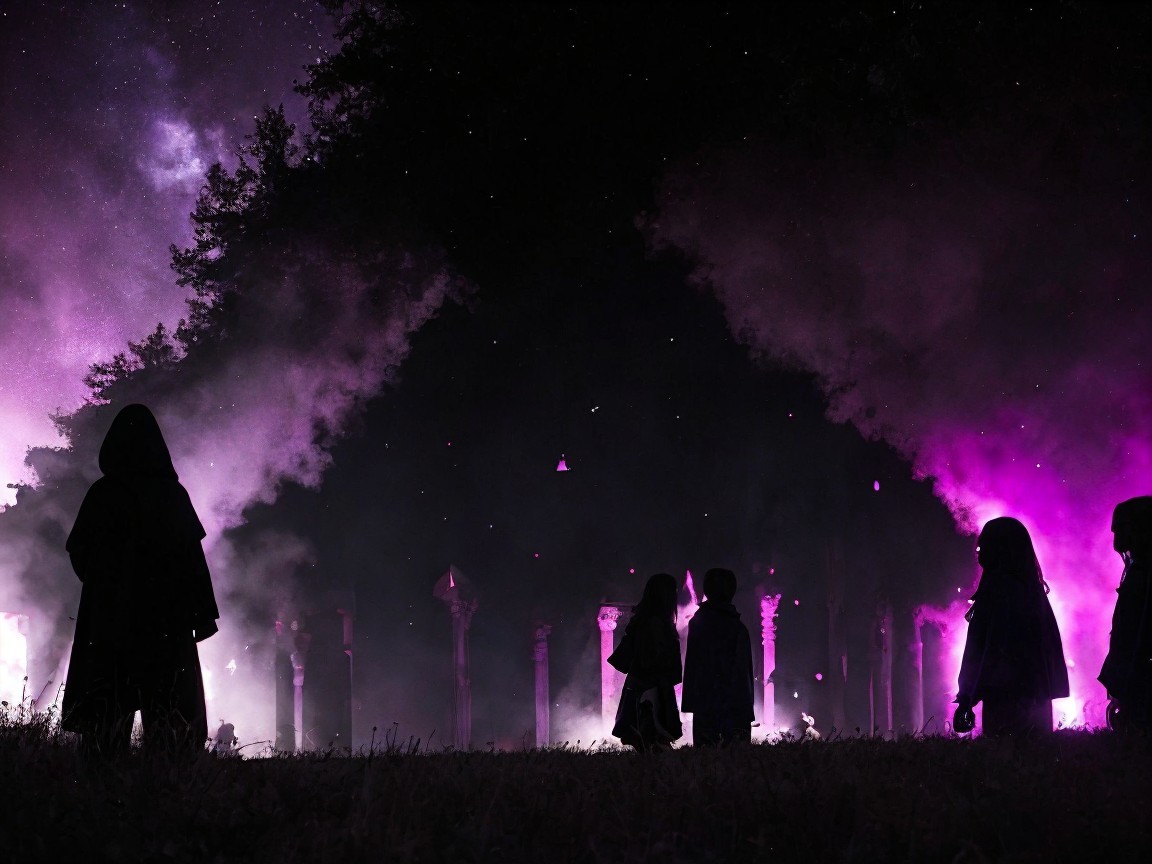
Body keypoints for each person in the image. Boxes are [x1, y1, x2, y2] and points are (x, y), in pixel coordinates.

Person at [61, 404, 220, 757]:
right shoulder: (171, 496)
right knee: (166, 707)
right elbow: (192, 560)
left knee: (108, 705)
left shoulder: (103, 494)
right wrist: (201, 613)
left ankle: (104, 784)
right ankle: (167, 786)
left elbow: (79, 551)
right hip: (165, 619)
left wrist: (103, 585)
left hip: (112, 618)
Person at [954, 517, 1069, 736]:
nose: (979, 553)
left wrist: (967, 696)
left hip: (1004, 696)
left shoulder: (997, 592)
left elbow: (981, 648)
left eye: (984, 546)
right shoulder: (1032, 594)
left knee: (1004, 760)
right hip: (1035, 694)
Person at [681, 567, 754, 745]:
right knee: (736, 762)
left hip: (706, 703)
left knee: (707, 759)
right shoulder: (738, 628)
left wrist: (691, 701)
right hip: (734, 704)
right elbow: (743, 675)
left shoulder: (699, 623)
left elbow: (693, 666)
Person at [610, 573, 683, 750]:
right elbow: (654, 657)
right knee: (652, 734)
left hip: (643, 682)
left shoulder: (646, 620)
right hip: (651, 684)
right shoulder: (656, 623)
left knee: (647, 735)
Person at [1098, 496, 1152, 731]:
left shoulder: (1144, 573)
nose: (1116, 538)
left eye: (1120, 528)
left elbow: (1137, 633)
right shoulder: (1138, 570)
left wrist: (1126, 681)